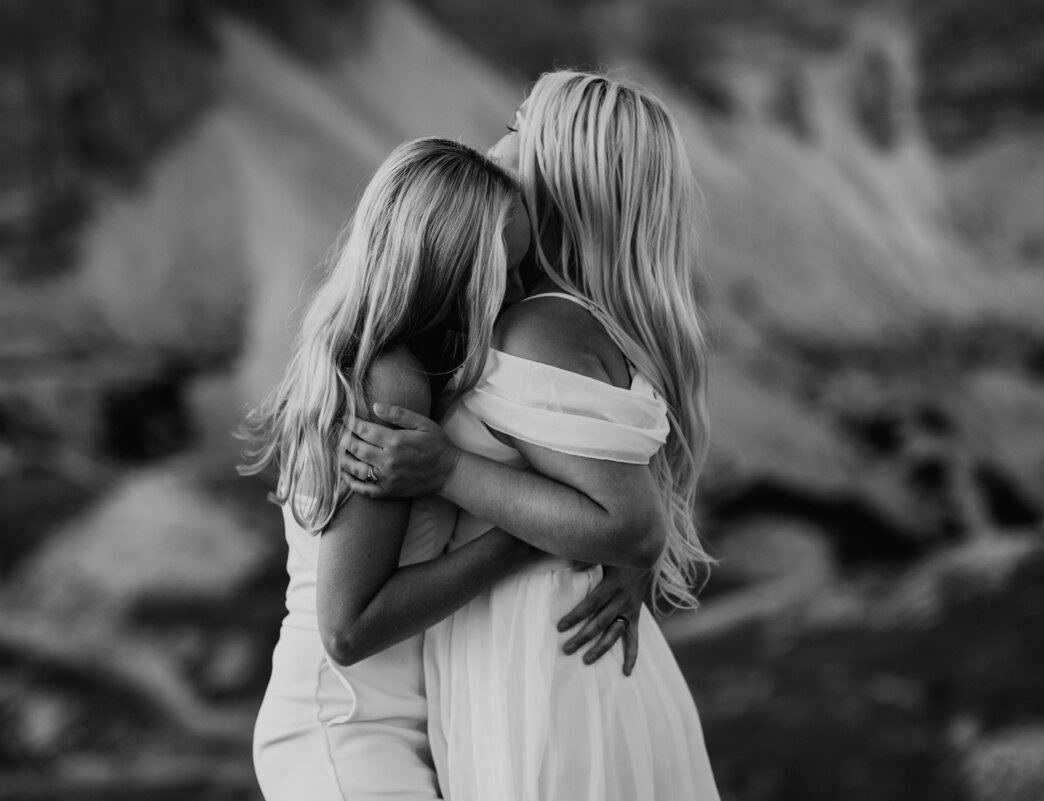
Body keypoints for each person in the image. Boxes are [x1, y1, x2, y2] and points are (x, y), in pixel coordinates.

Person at [342, 71, 721, 800]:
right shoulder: (557, 313)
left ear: (558, 167)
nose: (499, 137)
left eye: (521, 123)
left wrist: (444, 466)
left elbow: (630, 525)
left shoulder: (537, 326)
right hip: (538, 646)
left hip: (541, 658)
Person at [240, 136, 649, 801]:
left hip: (395, 722)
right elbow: (348, 628)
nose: (516, 292)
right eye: (501, 271)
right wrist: (526, 539)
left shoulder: (404, 363)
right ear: (443, 267)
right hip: (347, 730)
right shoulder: (391, 383)